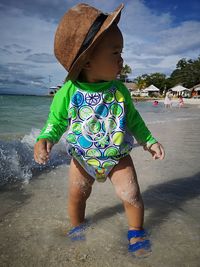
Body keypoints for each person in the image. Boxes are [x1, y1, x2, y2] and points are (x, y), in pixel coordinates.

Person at [34, 3, 165, 257]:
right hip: (82, 159)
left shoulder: (120, 90)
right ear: (88, 61)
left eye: (121, 52)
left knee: (132, 195)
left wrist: (149, 140)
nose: (122, 60)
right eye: (115, 53)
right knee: (77, 196)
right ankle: (77, 227)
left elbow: (134, 119)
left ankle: (136, 231)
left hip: (118, 156)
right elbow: (56, 120)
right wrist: (46, 137)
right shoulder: (68, 92)